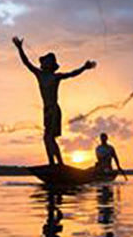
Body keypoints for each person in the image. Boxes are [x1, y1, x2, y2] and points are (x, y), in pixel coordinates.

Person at [13, 36, 96, 166]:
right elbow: (26, 62)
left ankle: (59, 164)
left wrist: (84, 67)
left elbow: (72, 74)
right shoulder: (39, 74)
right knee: (47, 139)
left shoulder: (56, 77)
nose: (46, 62)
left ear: (52, 65)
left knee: (49, 138)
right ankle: (53, 163)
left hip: (54, 110)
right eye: (45, 60)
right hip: (46, 111)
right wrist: (19, 48)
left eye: (49, 61)